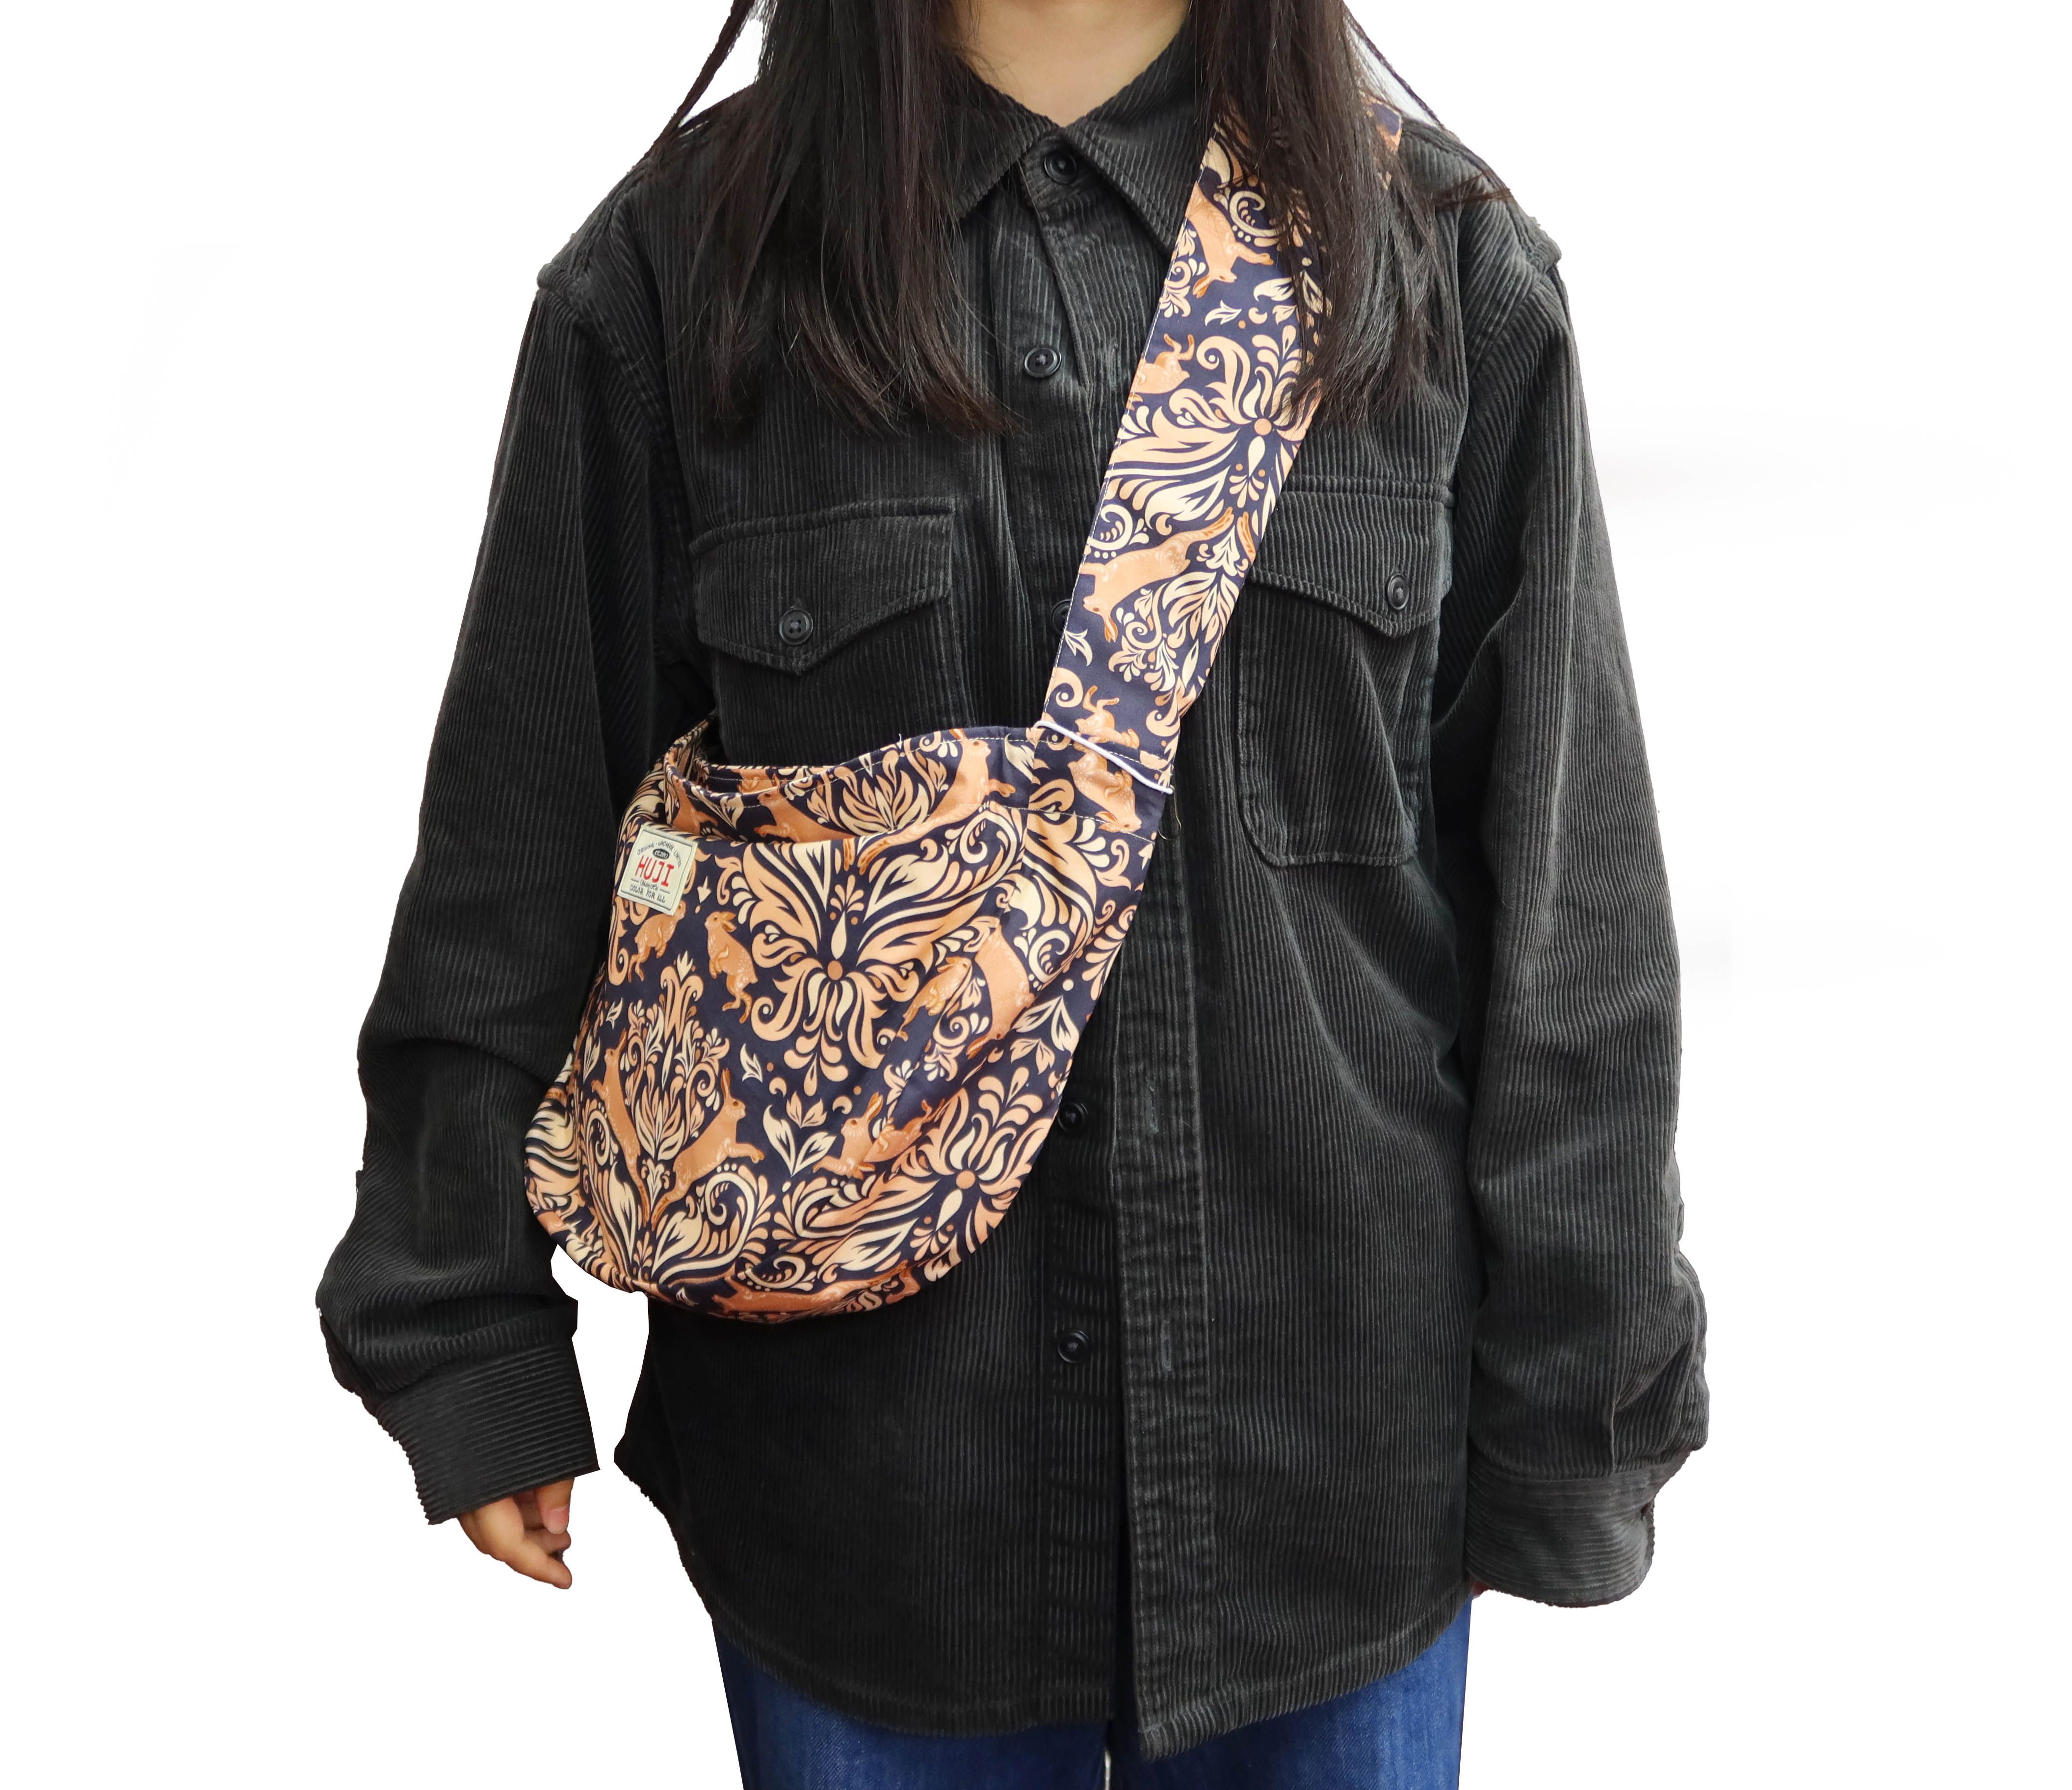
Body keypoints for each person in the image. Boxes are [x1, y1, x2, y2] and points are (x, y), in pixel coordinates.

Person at [316, 0, 1707, 1783]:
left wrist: (1580, 1403)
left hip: (1336, 1484)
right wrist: (466, 1329)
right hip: (864, 1502)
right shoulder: (682, 278)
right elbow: (517, 847)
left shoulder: (1436, 269)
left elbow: (1572, 907)